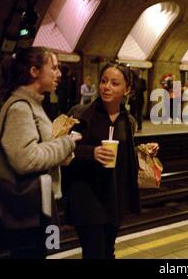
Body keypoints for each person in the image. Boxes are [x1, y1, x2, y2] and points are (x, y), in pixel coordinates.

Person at [62, 62, 158, 259]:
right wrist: (91, 153)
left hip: (113, 196)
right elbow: (61, 151)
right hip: (86, 195)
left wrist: (142, 151)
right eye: (104, 81)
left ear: (127, 89)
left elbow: (122, 154)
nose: (107, 87)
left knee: (108, 252)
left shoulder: (127, 120)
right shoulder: (80, 114)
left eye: (115, 83)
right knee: (94, 253)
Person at [0, 47, 80, 258]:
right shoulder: (20, 108)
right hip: (26, 208)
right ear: (34, 71)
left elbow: (37, 150)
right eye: (54, 67)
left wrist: (61, 155)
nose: (59, 74)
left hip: (35, 204)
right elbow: (26, 159)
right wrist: (67, 143)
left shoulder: (33, 104)